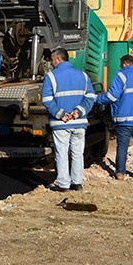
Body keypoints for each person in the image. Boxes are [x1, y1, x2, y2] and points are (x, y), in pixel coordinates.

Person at [41, 49, 96, 192]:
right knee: (77, 153)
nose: (51, 63)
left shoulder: (51, 77)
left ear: (58, 59)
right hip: (79, 122)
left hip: (61, 123)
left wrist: (61, 114)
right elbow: (90, 97)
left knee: (62, 153)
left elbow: (47, 100)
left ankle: (63, 184)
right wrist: (79, 111)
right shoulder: (83, 76)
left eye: (52, 59)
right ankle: (77, 182)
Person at [96, 55, 133, 180]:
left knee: (123, 145)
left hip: (124, 119)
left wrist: (97, 99)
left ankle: (120, 173)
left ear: (124, 63)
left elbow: (112, 97)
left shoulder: (122, 76)